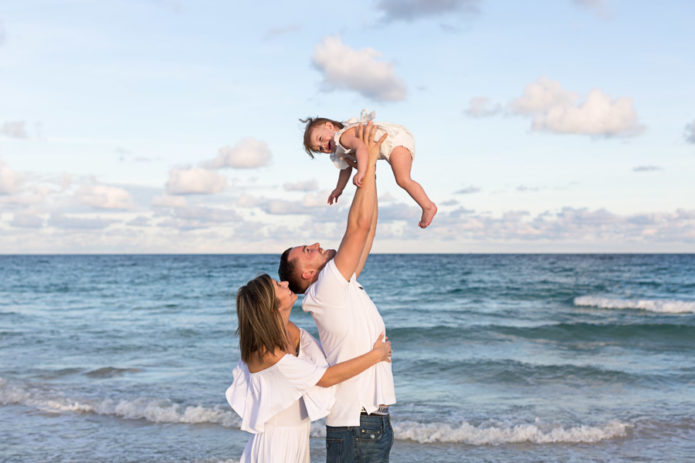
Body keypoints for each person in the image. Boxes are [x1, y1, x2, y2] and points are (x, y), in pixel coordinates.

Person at [279, 122, 396, 462]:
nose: (315, 244)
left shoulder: (339, 284)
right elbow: (357, 227)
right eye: (308, 249)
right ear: (307, 272)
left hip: (368, 424)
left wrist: (370, 168)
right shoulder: (328, 285)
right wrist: (368, 163)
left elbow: (368, 230)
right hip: (357, 426)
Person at [226, 273, 392, 463]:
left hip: (298, 438)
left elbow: (327, 359)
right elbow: (326, 378)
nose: (286, 282)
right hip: (275, 444)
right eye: (278, 286)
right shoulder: (266, 352)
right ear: (270, 305)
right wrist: (375, 355)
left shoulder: (290, 331)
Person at [301, 110, 437, 228]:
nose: (323, 145)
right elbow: (345, 168)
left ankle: (428, 206)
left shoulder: (343, 137)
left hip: (394, 140)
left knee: (403, 179)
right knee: (402, 180)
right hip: (394, 141)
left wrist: (361, 171)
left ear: (330, 126)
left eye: (320, 139)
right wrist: (339, 189)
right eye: (319, 148)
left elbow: (362, 148)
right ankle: (427, 206)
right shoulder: (341, 148)